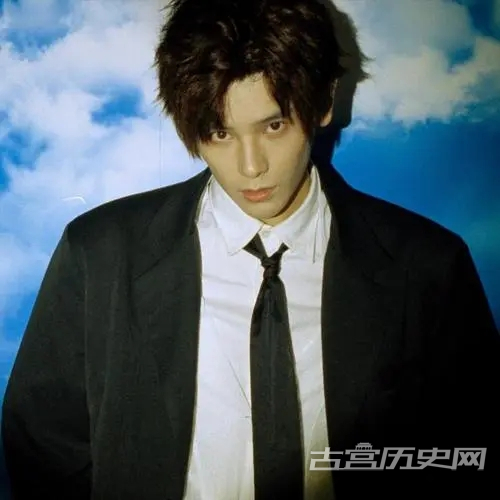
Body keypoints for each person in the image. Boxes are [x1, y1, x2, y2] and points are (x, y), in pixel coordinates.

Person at [2, 0, 499, 499]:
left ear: (324, 101)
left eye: (273, 126)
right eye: (220, 133)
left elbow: (467, 448)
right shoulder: (99, 254)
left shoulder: (428, 266)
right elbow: (43, 446)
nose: (250, 167)